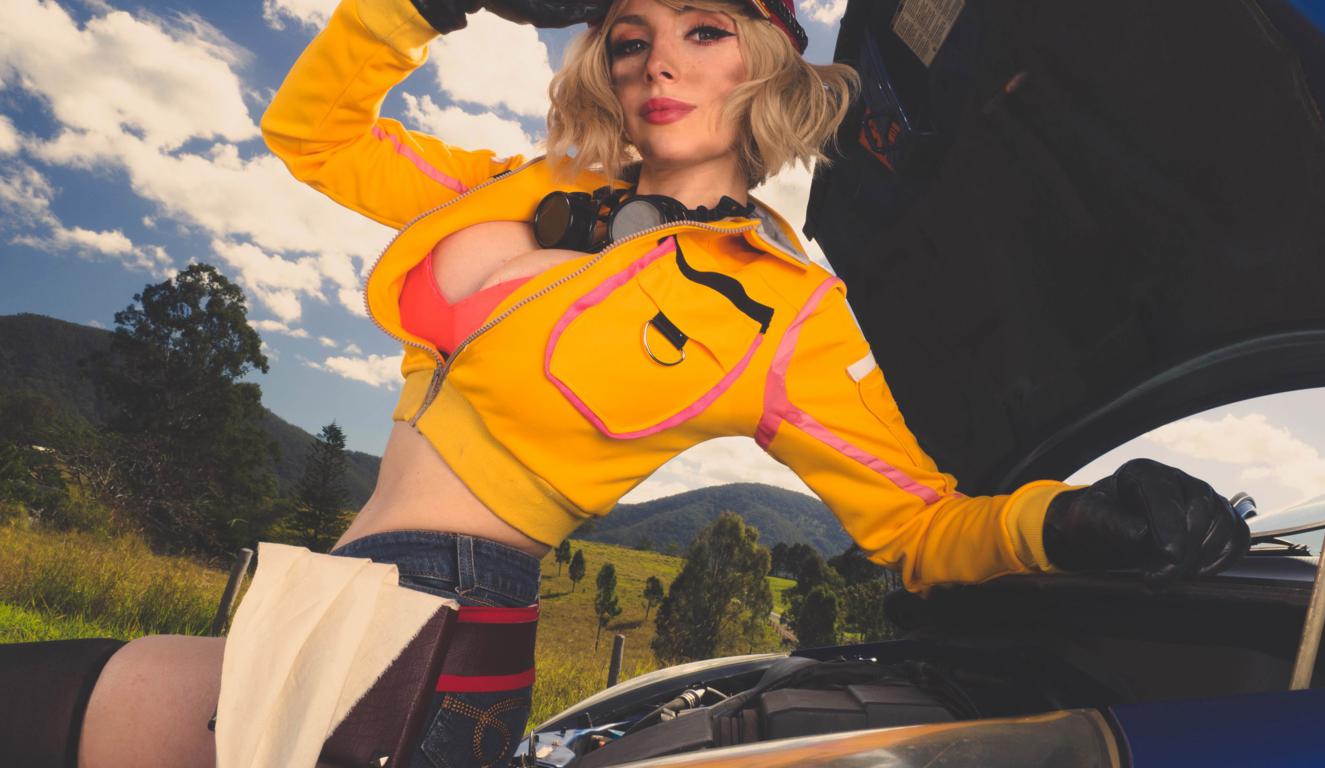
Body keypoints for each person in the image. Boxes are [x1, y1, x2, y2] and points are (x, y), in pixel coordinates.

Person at [0, 0, 1249, 764]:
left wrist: (1069, 519)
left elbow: (917, 529)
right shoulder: (525, 184)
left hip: (437, 640)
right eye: (633, 36)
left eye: (703, 31)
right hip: (337, 593)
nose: (659, 61)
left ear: (768, 64)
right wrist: (423, 6)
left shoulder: (788, 311)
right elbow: (311, 135)